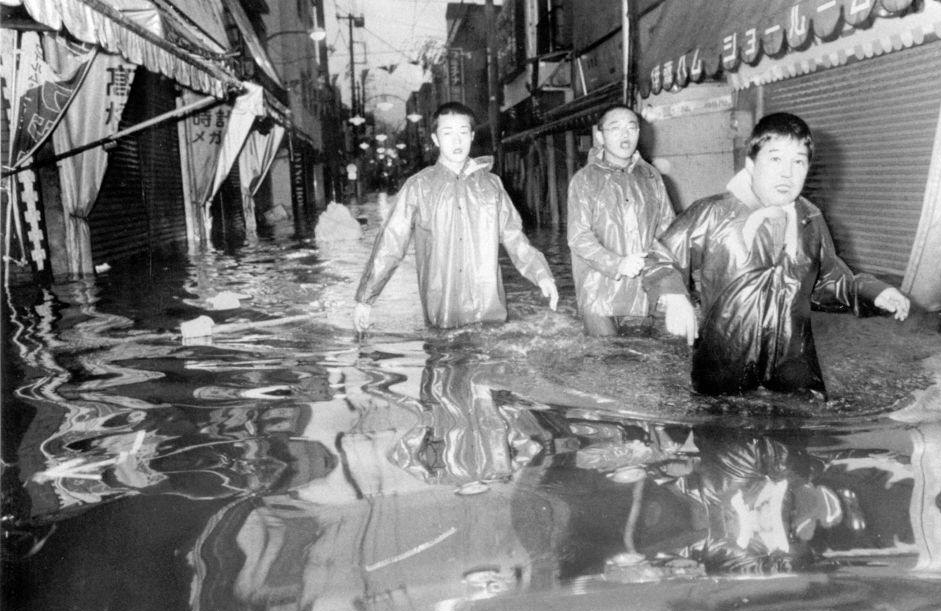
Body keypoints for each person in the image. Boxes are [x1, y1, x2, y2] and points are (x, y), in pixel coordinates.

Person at [644, 112, 911, 397]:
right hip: (725, 374)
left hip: (792, 374)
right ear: (750, 164)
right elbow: (659, 256)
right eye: (775, 159)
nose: (788, 173)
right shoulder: (713, 213)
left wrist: (873, 292)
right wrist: (674, 298)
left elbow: (829, 283)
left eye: (798, 161)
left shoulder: (810, 219)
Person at [354, 102, 558, 332]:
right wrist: (366, 298)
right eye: (447, 133)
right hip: (443, 311)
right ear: (435, 139)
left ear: (472, 135)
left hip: (490, 311)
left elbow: (514, 236)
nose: (457, 140)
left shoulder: (492, 185)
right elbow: (391, 242)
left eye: (463, 132)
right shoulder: (419, 187)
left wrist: (542, 275)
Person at [567, 104, 675, 336]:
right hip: (598, 294)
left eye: (631, 127)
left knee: (642, 362)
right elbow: (579, 237)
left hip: (643, 292)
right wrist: (617, 264)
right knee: (607, 361)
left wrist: (670, 286)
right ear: (600, 135)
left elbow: (667, 231)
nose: (625, 134)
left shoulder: (651, 176)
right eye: (615, 128)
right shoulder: (584, 180)